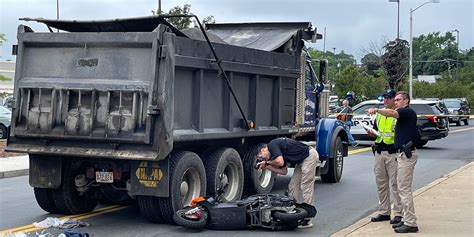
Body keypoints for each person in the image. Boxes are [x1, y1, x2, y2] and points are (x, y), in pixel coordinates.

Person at [368, 91, 420, 233]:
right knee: (393, 186)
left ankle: (410, 222)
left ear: (406, 101)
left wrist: (377, 109)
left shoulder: (407, 113)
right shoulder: (400, 114)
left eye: (398, 100)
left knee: (402, 188)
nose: (395, 102)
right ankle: (404, 219)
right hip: (395, 153)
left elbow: (392, 114)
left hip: (404, 155)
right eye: (395, 100)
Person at [256, 138, 319, 229]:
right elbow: (284, 171)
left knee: (305, 185)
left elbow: (280, 161)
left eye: (261, 157)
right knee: (292, 186)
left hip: (309, 156)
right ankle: (294, 213)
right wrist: (267, 167)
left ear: (263, 150)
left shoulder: (271, 145)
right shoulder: (275, 154)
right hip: (301, 160)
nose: (263, 159)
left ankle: (308, 219)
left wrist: (266, 162)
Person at [364, 89, 403, 225]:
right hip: (379, 151)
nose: (386, 100)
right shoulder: (380, 115)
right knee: (381, 184)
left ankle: (398, 213)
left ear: (394, 100)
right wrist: (371, 133)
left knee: (395, 184)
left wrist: (376, 110)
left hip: (393, 153)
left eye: (389, 98)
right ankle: (384, 211)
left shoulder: (397, 114)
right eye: (385, 98)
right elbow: (378, 131)